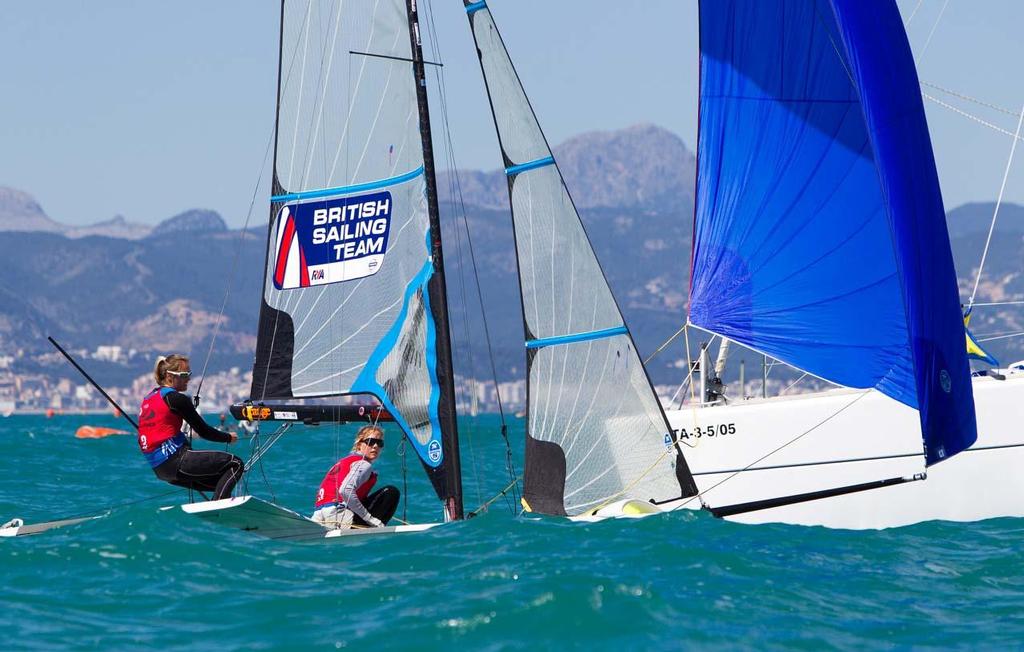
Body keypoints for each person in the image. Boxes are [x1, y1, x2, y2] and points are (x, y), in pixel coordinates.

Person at [137, 355, 244, 500]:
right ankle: (218, 507)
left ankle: (221, 507)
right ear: (169, 376)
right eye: (184, 375)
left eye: (189, 374)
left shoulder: (149, 398)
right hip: (176, 461)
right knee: (236, 464)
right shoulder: (176, 399)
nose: (188, 379)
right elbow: (203, 431)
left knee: (222, 482)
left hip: (160, 469)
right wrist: (228, 438)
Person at [312, 425, 400, 529]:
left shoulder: (344, 462)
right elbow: (345, 490)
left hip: (318, 516)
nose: (375, 446)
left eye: (379, 443)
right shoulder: (364, 464)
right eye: (370, 442)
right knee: (391, 492)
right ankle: (377, 528)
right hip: (340, 518)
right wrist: (370, 519)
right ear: (359, 445)